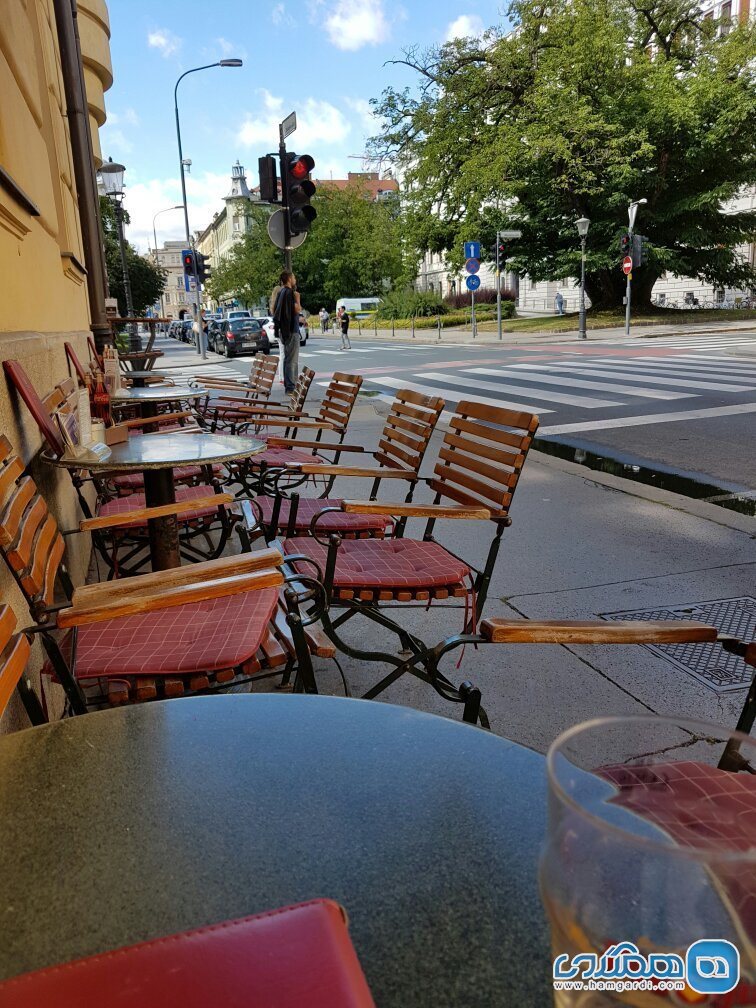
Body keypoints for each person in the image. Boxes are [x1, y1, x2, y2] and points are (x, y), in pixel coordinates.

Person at [272, 270, 300, 393]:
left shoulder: (281, 292)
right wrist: (298, 299)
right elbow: (297, 310)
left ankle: (289, 385)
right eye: (293, 277)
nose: (295, 280)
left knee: (287, 359)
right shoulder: (290, 293)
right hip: (291, 330)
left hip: (284, 331)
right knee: (292, 360)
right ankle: (291, 387)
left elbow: (277, 312)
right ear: (289, 279)